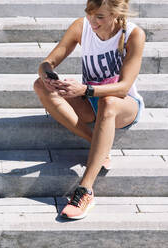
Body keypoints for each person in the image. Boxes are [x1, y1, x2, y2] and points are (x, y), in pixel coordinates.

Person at [33, 0, 145, 219]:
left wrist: (85, 89)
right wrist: (47, 74)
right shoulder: (81, 26)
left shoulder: (134, 34)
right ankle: (98, 145)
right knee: (39, 86)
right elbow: (47, 62)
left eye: (100, 17)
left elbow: (123, 88)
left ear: (116, 14)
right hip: (91, 102)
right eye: (90, 14)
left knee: (109, 102)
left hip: (124, 106)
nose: (93, 21)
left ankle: (86, 189)